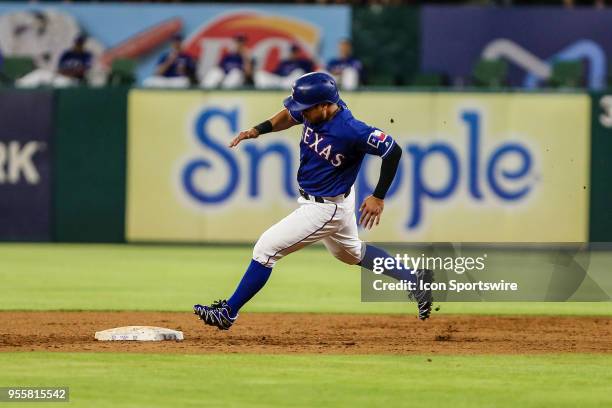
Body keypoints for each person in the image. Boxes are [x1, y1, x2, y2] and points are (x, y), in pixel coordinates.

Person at [193, 72, 433, 330]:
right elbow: (288, 116)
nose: (301, 114)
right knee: (352, 254)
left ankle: (228, 312)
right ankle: (415, 280)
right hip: (324, 200)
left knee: (265, 250)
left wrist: (379, 196)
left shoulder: (351, 130)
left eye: (306, 110)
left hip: (326, 207)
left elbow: (392, 151)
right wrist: (257, 130)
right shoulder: (314, 110)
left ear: (325, 105)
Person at [16, 34, 92, 88]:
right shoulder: (67, 54)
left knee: (54, 84)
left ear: (83, 44)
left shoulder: (86, 55)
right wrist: (64, 72)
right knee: (40, 73)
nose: (78, 45)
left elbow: (82, 71)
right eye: (77, 43)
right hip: (61, 77)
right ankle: (19, 84)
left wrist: (68, 72)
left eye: (80, 43)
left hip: (73, 82)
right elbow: (60, 68)